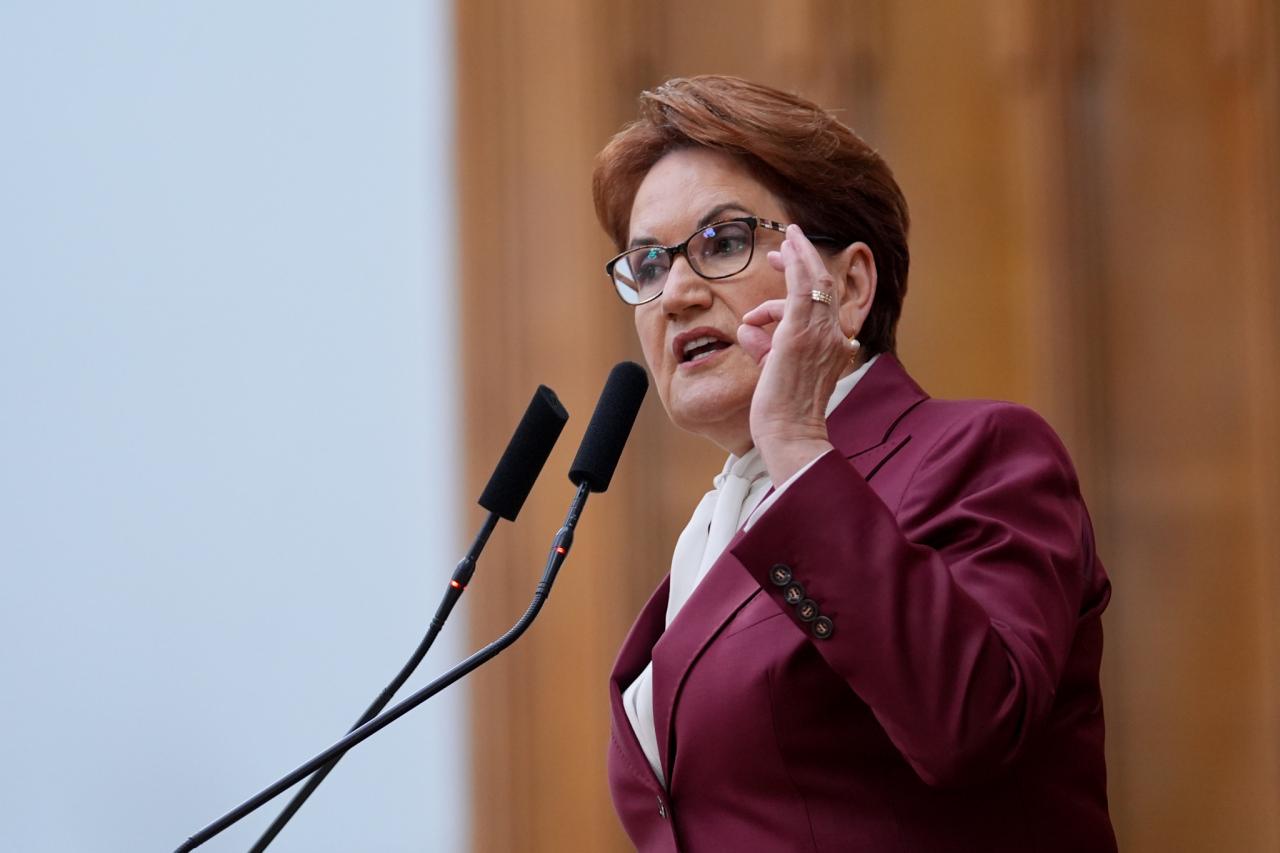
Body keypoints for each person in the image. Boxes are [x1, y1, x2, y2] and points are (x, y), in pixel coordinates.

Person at [591, 75, 1117, 852]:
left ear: (848, 286)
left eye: (723, 242)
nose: (677, 294)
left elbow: (971, 720)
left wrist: (798, 443)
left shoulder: (982, 453)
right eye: (648, 264)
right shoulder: (710, 531)